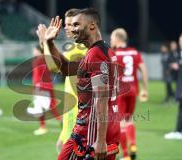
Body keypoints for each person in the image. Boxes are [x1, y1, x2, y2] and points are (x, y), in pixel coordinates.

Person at [38, 8, 120, 160]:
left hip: (89, 135)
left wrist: (100, 141)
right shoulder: (102, 50)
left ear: (92, 26)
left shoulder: (95, 55)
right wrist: (49, 42)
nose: (72, 29)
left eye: (76, 25)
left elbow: (101, 98)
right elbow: (67, 69)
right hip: (93, 130)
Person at [37, 8, 87, 152]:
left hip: (78, 110)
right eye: (66, 24)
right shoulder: (76, 47)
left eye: (71, 24)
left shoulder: (79, 48)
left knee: (69, 151)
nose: (66, 27)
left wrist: (46, 43)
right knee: (61, 147)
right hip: (73, 107)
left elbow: (53, 66)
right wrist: (45, 43)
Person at [110, 28, 148, 160]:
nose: (111, 41)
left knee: (120, 122)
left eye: (112, 38)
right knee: (129, 119)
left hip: (120, 91)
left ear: (117, 39)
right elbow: (143, 69)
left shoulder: (114, 54)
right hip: (133, 90)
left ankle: (126, 154)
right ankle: (133, 143)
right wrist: (144, 89)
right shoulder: (135, 52)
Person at [26, 45, 61, 135]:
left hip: (41, 86)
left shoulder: (37, 60)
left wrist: (35, 86)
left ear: (38, 50)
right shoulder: (46, 58)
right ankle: (61, 121)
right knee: (52, 105)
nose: (33, 52)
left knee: (39, 107)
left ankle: (42, 127)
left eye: (34, 50)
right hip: (49, 84)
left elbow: (36, 75)